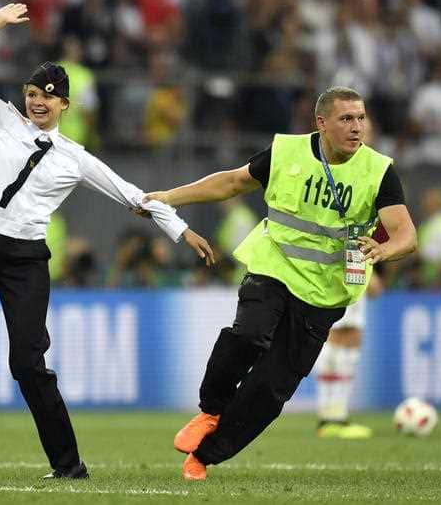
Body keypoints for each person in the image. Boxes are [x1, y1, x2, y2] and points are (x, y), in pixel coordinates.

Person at [0, 3, 215, 480]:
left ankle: (69, 466)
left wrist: (180, 228)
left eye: (48, 96)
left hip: (25, 260)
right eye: (31, 93)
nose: (37, 102)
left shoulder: (76, 158)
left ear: (65, 104)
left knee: (28, 363)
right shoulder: (3, 120)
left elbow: (133, 196)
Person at [144, 86, 417, 480]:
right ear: (321, 123)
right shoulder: (287, 152)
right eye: (346, 119)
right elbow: (232, 182)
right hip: (274, 269)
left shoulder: (379, 171)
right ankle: (210, 410)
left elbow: (405, 233)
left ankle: (203, 457)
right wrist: (171, 197)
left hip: (324, 294)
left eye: (360, 118)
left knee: (270, 390)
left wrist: (383, 251)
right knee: (249, 334)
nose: (357, 127)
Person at [315, 271, 383, 439]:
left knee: (336, 338)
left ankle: (328, 418)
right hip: (348, 268)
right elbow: (375, 290)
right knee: (346, 336)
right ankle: (336, 419)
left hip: (333, 273)